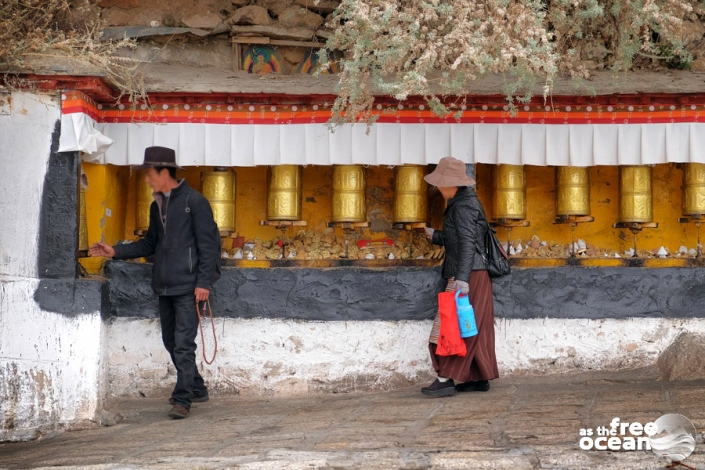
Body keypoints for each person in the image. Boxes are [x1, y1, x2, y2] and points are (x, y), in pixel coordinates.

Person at [89, 146, 221, 419]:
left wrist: (204, 282)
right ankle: (197, 387)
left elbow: (210, 248)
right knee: (170, 342)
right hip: (163, 286)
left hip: (189, 287)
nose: (147, 179)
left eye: (149, 174)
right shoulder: (155, 206)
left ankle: (182, 400)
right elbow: (150, 243)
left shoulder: (195, 202)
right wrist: (114, 251)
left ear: (164, 172)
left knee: (183, 344)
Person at [421, 156, 499, 398]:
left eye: (441, 183)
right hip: (474, 272)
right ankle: (478, 377)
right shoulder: (463, 202)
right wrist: (436, 236)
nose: (439, 188)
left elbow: (466, 245)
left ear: (452, 183)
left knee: (453, 325)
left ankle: (444, 379)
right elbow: (461, 239)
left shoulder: (464, 206)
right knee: (473, 326)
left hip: (469, 275)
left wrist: (462, 280)